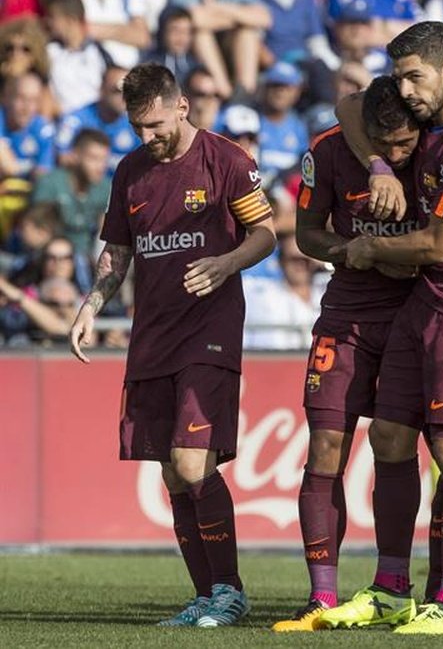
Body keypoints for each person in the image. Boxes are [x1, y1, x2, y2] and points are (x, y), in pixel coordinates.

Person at [318, 21, 443, 636]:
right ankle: (390, 588)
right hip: (423, 304)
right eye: (400, 75)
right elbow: (350, 102)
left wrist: (367, 251)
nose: (405, 90)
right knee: (389, 435)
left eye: (414, 77)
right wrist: (379, 164)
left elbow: (434, 246)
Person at [67, 63, 276, 628]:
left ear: (182, 106)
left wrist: (226, 262)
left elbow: (266, 233)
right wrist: (91, 305)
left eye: (155, 124)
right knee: (170, 472)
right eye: (138, 127)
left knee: (191, 461)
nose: (147, 137)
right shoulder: (130, 172)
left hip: (209, 330)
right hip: (152, 334)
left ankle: (229, 590)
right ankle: (207, 595)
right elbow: (117, 249)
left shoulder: (226, 159)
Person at [269, 75, 422, 632]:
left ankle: (394, 585)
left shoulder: (435, 149)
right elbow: (308, 235)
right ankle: (322, 595)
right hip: (347, 314)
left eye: (407, 144)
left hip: (416, 316)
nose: (401, 154)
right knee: (326, 446)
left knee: (398, 445)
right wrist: (352, 252)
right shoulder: (329, 151)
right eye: (391, 147)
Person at [32, 128, 113, 267]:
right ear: (75, 155)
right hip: (51, 259)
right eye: (94, 158)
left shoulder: (105, 187)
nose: (100, 166)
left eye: (104, 160)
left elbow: (105, 230)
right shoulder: (50, 183)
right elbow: (36, 231)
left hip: (88, 258)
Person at [55, 65, 140, 174]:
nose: (124, 96)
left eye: (129, 90)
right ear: (102, 89)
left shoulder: (137, 124)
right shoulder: (75, 120)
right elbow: (62, 157)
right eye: (117, 90)